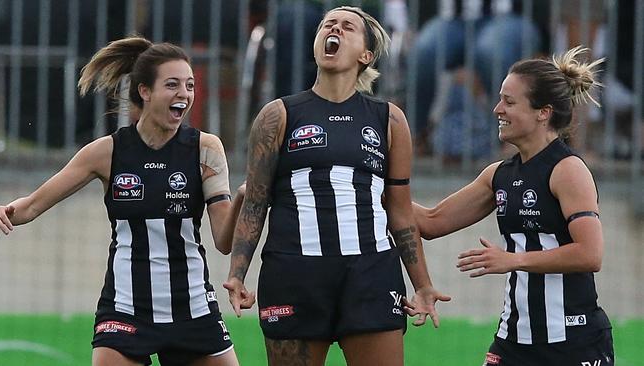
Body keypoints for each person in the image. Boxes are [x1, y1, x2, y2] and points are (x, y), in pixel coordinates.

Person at [0, 36, 244, 366]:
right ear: (145, 91)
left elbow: (224, 241)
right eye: (172, 84)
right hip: (126, 307)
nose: (184, 94)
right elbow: (32, 205)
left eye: (189, 85)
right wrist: (5, 212)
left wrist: (242, 198)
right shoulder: (106, 152)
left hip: (193, 306)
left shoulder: (206, 148)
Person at [223, 6, 450, 366]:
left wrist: (422, 285)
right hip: (294, 274)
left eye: (347, 27)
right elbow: (255, 202)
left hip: (371, 274)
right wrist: (237, 275)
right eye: (328, 25)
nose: (335, 29)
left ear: (366, 55)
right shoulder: (277, 115)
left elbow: (400, 211)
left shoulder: (389, 119)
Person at [413, 46, 614, 366]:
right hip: (512, 342)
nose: (496, 109)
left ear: (542, 112)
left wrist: (513, 259)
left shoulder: (568, 170)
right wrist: (375, 184)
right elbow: (431, 222)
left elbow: (590, 254)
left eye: (509, 101)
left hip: (571, 342)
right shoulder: (499, 175)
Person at [407, 0, 544, 156]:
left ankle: (513, 135)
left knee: (490, 53)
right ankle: (416, 134)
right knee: (423, 52)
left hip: (510, 18)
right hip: (452, 19)